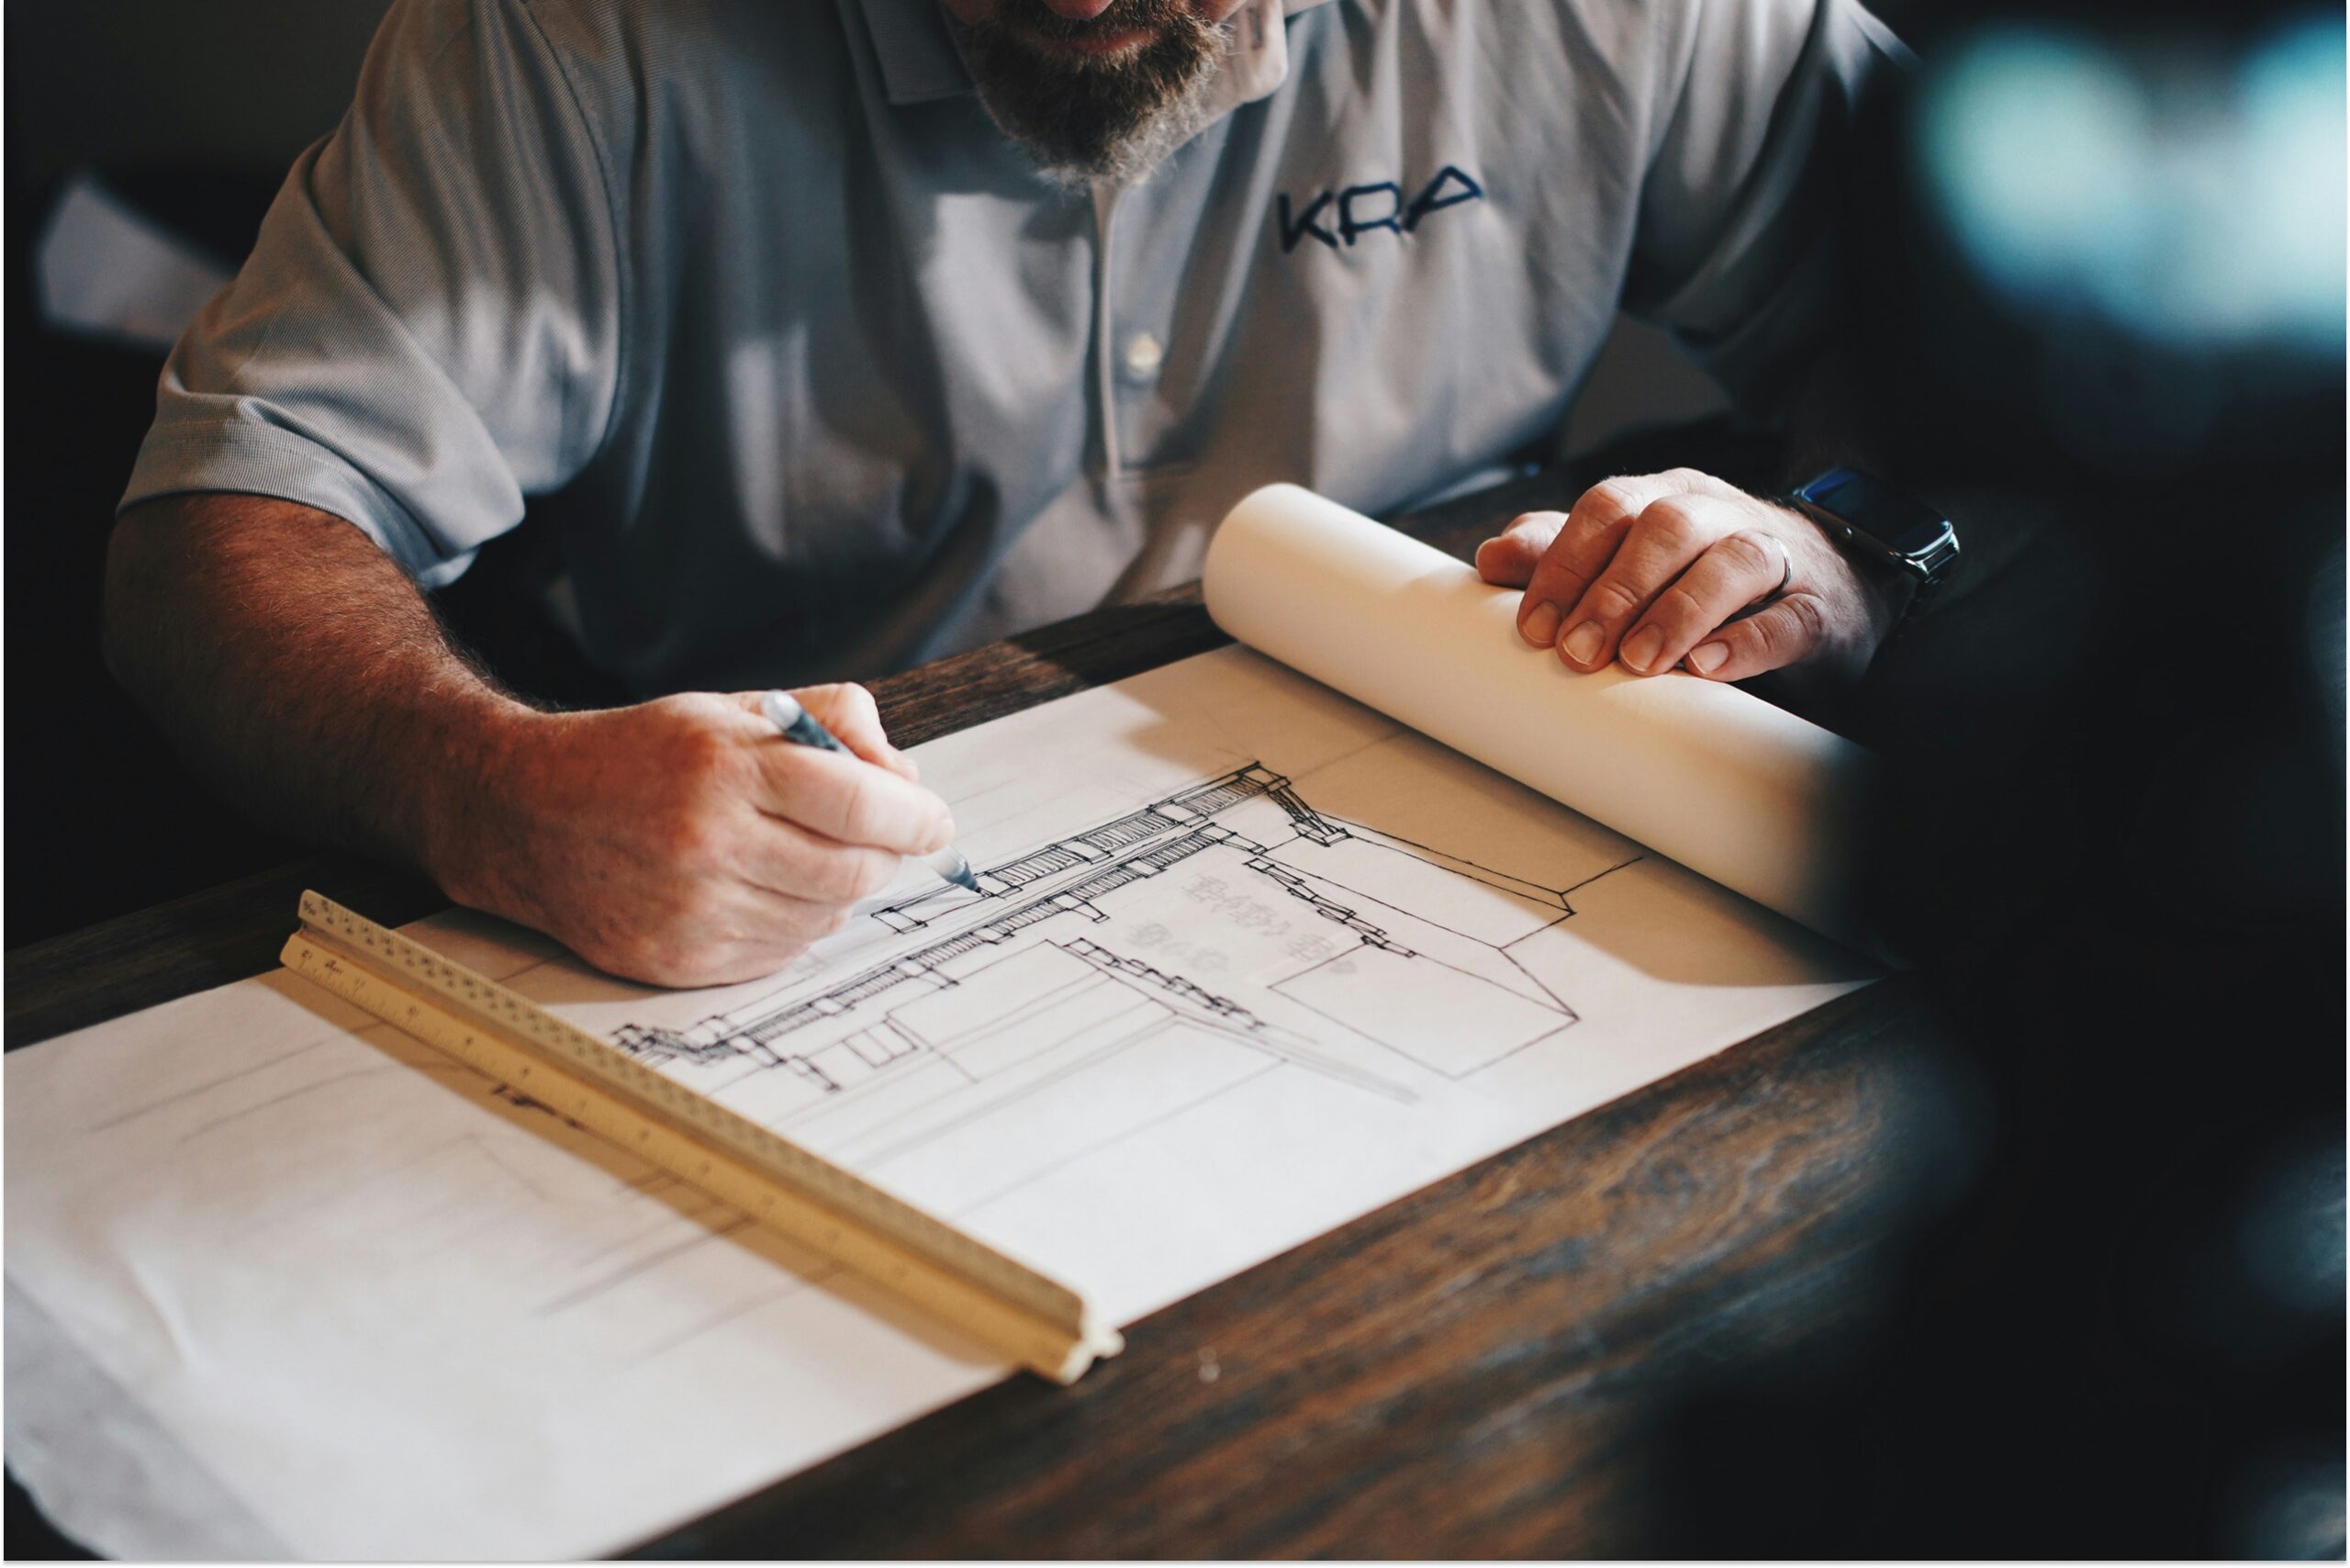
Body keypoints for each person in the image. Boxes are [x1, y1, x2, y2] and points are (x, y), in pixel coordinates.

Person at [103, 0, 1909, 985]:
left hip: (1495, 888)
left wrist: (1834, 537)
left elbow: (2052, 365)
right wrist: (480, 782)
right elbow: (227, 527)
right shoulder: (573, 41)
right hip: (791, 902)